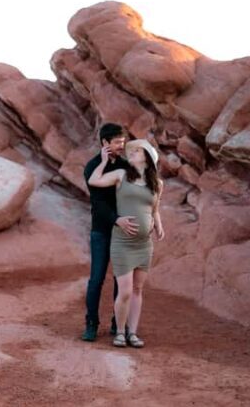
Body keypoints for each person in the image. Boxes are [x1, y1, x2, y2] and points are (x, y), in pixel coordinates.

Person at [88, 138, 165, 348]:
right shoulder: (121, 175)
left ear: (147, 158)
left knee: (138, 289)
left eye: (137, 151)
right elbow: (94, 180)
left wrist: (159, 225)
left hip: (144, 244)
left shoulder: (157, 184)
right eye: (132, 151)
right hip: (122, 242)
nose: (131, 152)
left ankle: (132, 333)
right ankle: (120, 332)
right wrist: (104, 161)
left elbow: (155, 209)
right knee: (125, 291)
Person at [81, 123, 139, 342]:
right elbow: (98, 203)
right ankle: (91, 324)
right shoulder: (92, 167)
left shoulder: (125, 165)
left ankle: (118, 323)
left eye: (123, 142)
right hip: (101, 231)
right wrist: (116, 219)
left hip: (123, 232)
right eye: (117, 142)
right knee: (96, 279)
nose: (121, 146)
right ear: (105, 143)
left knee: (120, 279)